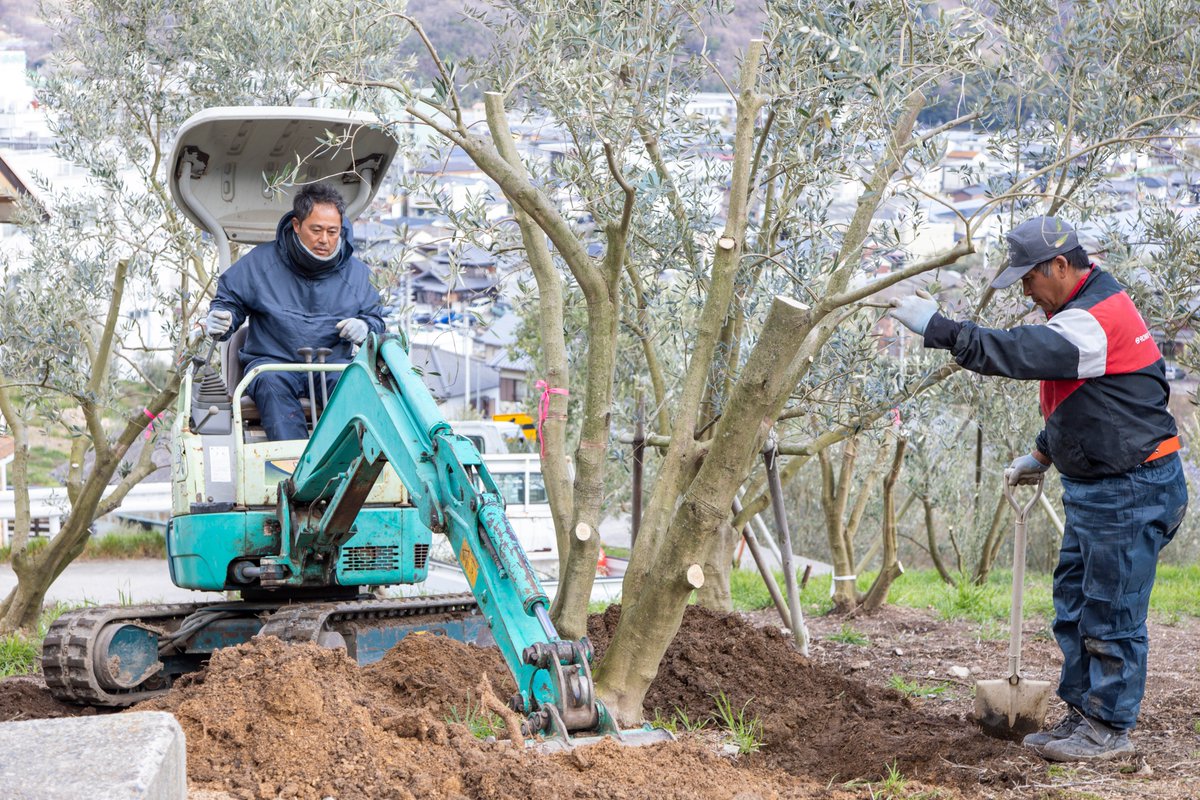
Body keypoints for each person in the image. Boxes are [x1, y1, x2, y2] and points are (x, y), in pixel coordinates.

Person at [888, 215, 1187, 762]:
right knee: (1074, 604)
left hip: (1130, 488)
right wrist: (1044, 452)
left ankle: (1109, 728)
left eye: (1029, 278)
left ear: (1060, 265)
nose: (1025, 290)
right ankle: (1084, 714)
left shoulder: (1093, 320)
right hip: (1103, 484)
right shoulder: (1083, 308)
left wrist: (939, 328)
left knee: (1111, 611)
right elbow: (1094, 401)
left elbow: (1019, 353)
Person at [202, 183, 385, 440]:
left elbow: (376, 320)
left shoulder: (357, 275)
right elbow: (230, 301)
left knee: (355, 386)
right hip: (273, 363)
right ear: (297, 226)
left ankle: (345, 465)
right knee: (270, 383)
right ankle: (295, 471)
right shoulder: (261, 263)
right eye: (317, 230)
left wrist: (365, 326)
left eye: (333, 232)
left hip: (331, 365)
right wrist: (223, 317)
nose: (324, 240)